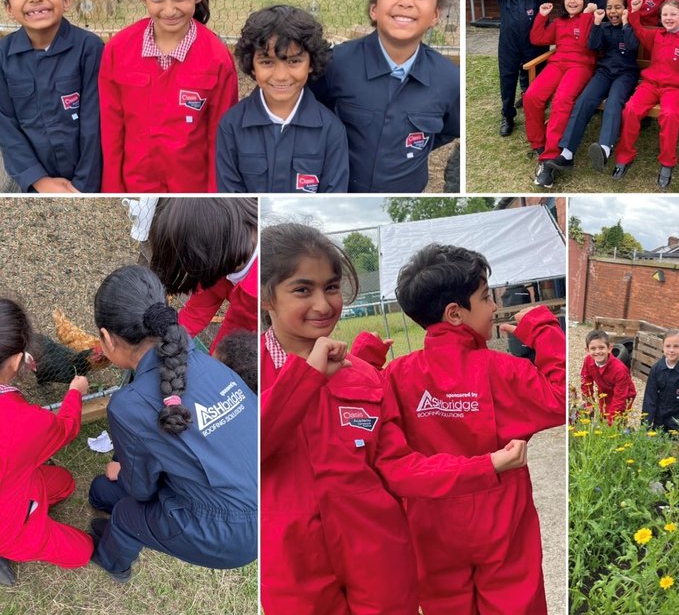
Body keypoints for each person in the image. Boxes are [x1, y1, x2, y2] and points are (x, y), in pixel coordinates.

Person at [259, 223, 525, 615]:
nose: (323, 304)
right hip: (293, 565)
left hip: (379, 561)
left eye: (331, 287)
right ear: (267, 297)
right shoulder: (247, 368)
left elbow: (399, 468)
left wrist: (486, 466)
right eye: (302, 289)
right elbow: (252, 448)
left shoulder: (364, 377)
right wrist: (307, 377)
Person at [384, 242, 566, 613]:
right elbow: (562, 398)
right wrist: (543, 330)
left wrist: (367, 362)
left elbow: (385, 451)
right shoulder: (505, 371)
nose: (495, 306)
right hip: (502, 523)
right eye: (486, 298)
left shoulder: (394, 376)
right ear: (455, 313)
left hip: (430, 525)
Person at [87, 266, 257, 582]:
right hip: (260, 503)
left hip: (231, 531)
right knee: (100, 491)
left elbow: (141, 489)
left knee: (125, 512)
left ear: (107, 339)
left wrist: (124, 470)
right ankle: (111, 507)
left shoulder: (128, 405)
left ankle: (115, 562)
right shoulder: (213, 363)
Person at [311, 0, 459, 193]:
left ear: (435, 15)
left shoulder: (450, 80)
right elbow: (312, 114)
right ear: (374, 9)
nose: (406, 2)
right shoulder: (336, 63)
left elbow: (446, 131)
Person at [98, 0, 238, 193]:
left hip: (191, 192)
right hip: (135, 187)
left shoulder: (217, 58)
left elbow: (220, 142)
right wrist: (113, 191)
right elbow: (111, 131)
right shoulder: (118, 50)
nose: (169, 9)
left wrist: (213, 198)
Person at [0, 297, 93, 582]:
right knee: (84, 551)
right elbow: (64, 428)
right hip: (8, 521)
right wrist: (75, 393)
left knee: (64, 482)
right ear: (17, 359)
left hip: (11, 483)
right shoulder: (22, 423)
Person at [216, 5, 349, 193]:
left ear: (311, 63)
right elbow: (231, 197)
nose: (281, 76)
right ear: (251, 65)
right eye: (267, 62)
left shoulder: (331, 130)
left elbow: (334, 197)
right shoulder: (231, 126)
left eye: (294, 61)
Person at [0, 0, 103, 193]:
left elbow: (94, 124)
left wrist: (83, 187)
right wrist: (39, 180)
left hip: (88, 180)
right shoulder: (3, 57)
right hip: (31, 180)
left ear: (66, 0)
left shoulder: (89, 48)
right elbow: (6, 128)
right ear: (8, 8)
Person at [148, 196, 258, 352]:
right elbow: (196, 311)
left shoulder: (262, 286)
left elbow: (236, 340)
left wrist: (220, 363)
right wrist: (169, 343)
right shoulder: (221, 248)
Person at [611, 0, 679, 190]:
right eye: (665, 15)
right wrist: (634, 12)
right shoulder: (658, 35)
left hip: (674, 88)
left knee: (669, 115)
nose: (668, 18)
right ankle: (624, 156)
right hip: (650, 84)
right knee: (631, 109)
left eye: (673, 14)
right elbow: (640, 31)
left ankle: (667, 163)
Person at [547, 0, 640, 176]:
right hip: (604, 72)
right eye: (609, 8)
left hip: (625, 74)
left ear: (625, 10)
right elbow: (593, 46)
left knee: (613, 103)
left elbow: (631, 46)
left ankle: (604, 148)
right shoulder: (603, 27)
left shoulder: (631, 27)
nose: (613, 11)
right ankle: (567, 154)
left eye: (618, 7)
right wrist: (596, 23)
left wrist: (627, 22)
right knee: (583, 101)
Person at [479, 0, 556, 137]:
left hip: (534, 46)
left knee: (535, 80)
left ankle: (535, 111)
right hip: (509, 47)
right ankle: (507, 115)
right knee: (508, 79)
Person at [523, 0, 597, 188]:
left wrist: (588, 15)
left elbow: (586, 43)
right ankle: (539, 144)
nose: (572, 2)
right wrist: (541, 16)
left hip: (580, 66)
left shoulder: (591, 18)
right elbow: (538, 39)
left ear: (585, 1)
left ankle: (551, 157)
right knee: (531, 96)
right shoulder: (558, 22)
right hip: (557, 63)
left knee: (562, 101)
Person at [641, 329, 679, 434]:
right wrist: (645, 425)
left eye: (676, 346)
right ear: (662, 347)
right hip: (658, 420)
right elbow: (650, 399)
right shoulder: (656, 369)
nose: (671, 350)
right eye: (668, 346)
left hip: (676, 421)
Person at [580, 329, 636, 424]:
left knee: (617, 420)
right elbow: (586, 382)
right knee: (603, 415)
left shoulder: (619, 370)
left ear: (609, 348)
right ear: (587, 350)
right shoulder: (588, 361)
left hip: (625, 394)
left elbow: (620, 398)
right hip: (604, 391)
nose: (597, 352)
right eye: (593, 349)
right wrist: (589, 402)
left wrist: (610, 421)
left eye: (601, 348)